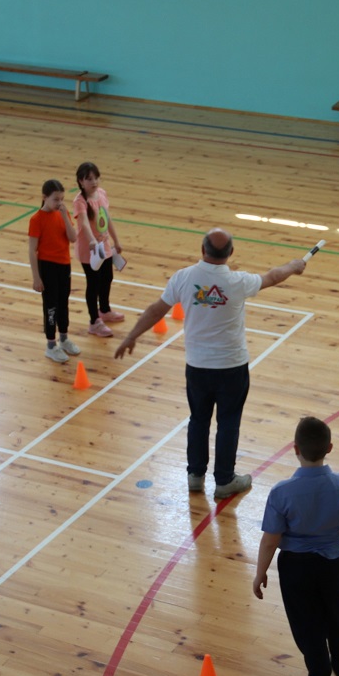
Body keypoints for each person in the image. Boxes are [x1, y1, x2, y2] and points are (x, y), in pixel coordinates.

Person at [114, 228, 306, 498]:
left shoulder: (183, 277)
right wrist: (294, 266)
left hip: (197, 368)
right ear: (231, 253)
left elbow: (156, 309)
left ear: (202, 250)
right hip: (232, 368)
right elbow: (273, 276)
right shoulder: (238, 281)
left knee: (198, 420)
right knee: (228, 422)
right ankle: (225, 481)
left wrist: (131, 335)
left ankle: (195, 476)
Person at [253, 416, 339, 676]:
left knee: (308, 625)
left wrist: (260, 572)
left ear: (295, 448)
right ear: (329, 447)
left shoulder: (282, 492)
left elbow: (271, 539)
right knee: (336, 613)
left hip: (297, 568)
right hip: (334, 563)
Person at [28, 179, 80, 364]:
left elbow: (73, 238)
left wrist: (65, 216)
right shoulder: (36, 220)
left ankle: (64, 338)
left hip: (64, 265)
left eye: (61, 199)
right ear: (44, 198)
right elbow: (32, 250)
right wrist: (36, 277)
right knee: (51, 307)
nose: (59, 203)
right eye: (55, 199)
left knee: (63, 303)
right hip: (47, 267)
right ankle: (51, 345)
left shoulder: (62, 214)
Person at [73, 162, 124, 338]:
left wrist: (116, 240)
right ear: (81, 181)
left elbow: (107, 219)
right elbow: (85, 224)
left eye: (96, 178)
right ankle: (94, 322)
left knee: (107, 277)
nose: (94, 182)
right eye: (89, 179)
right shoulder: (80, 202)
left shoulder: (101, 194)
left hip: (105, 246)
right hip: (90, 250)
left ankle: (104, 310)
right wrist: (93, 241)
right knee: (93, 284)